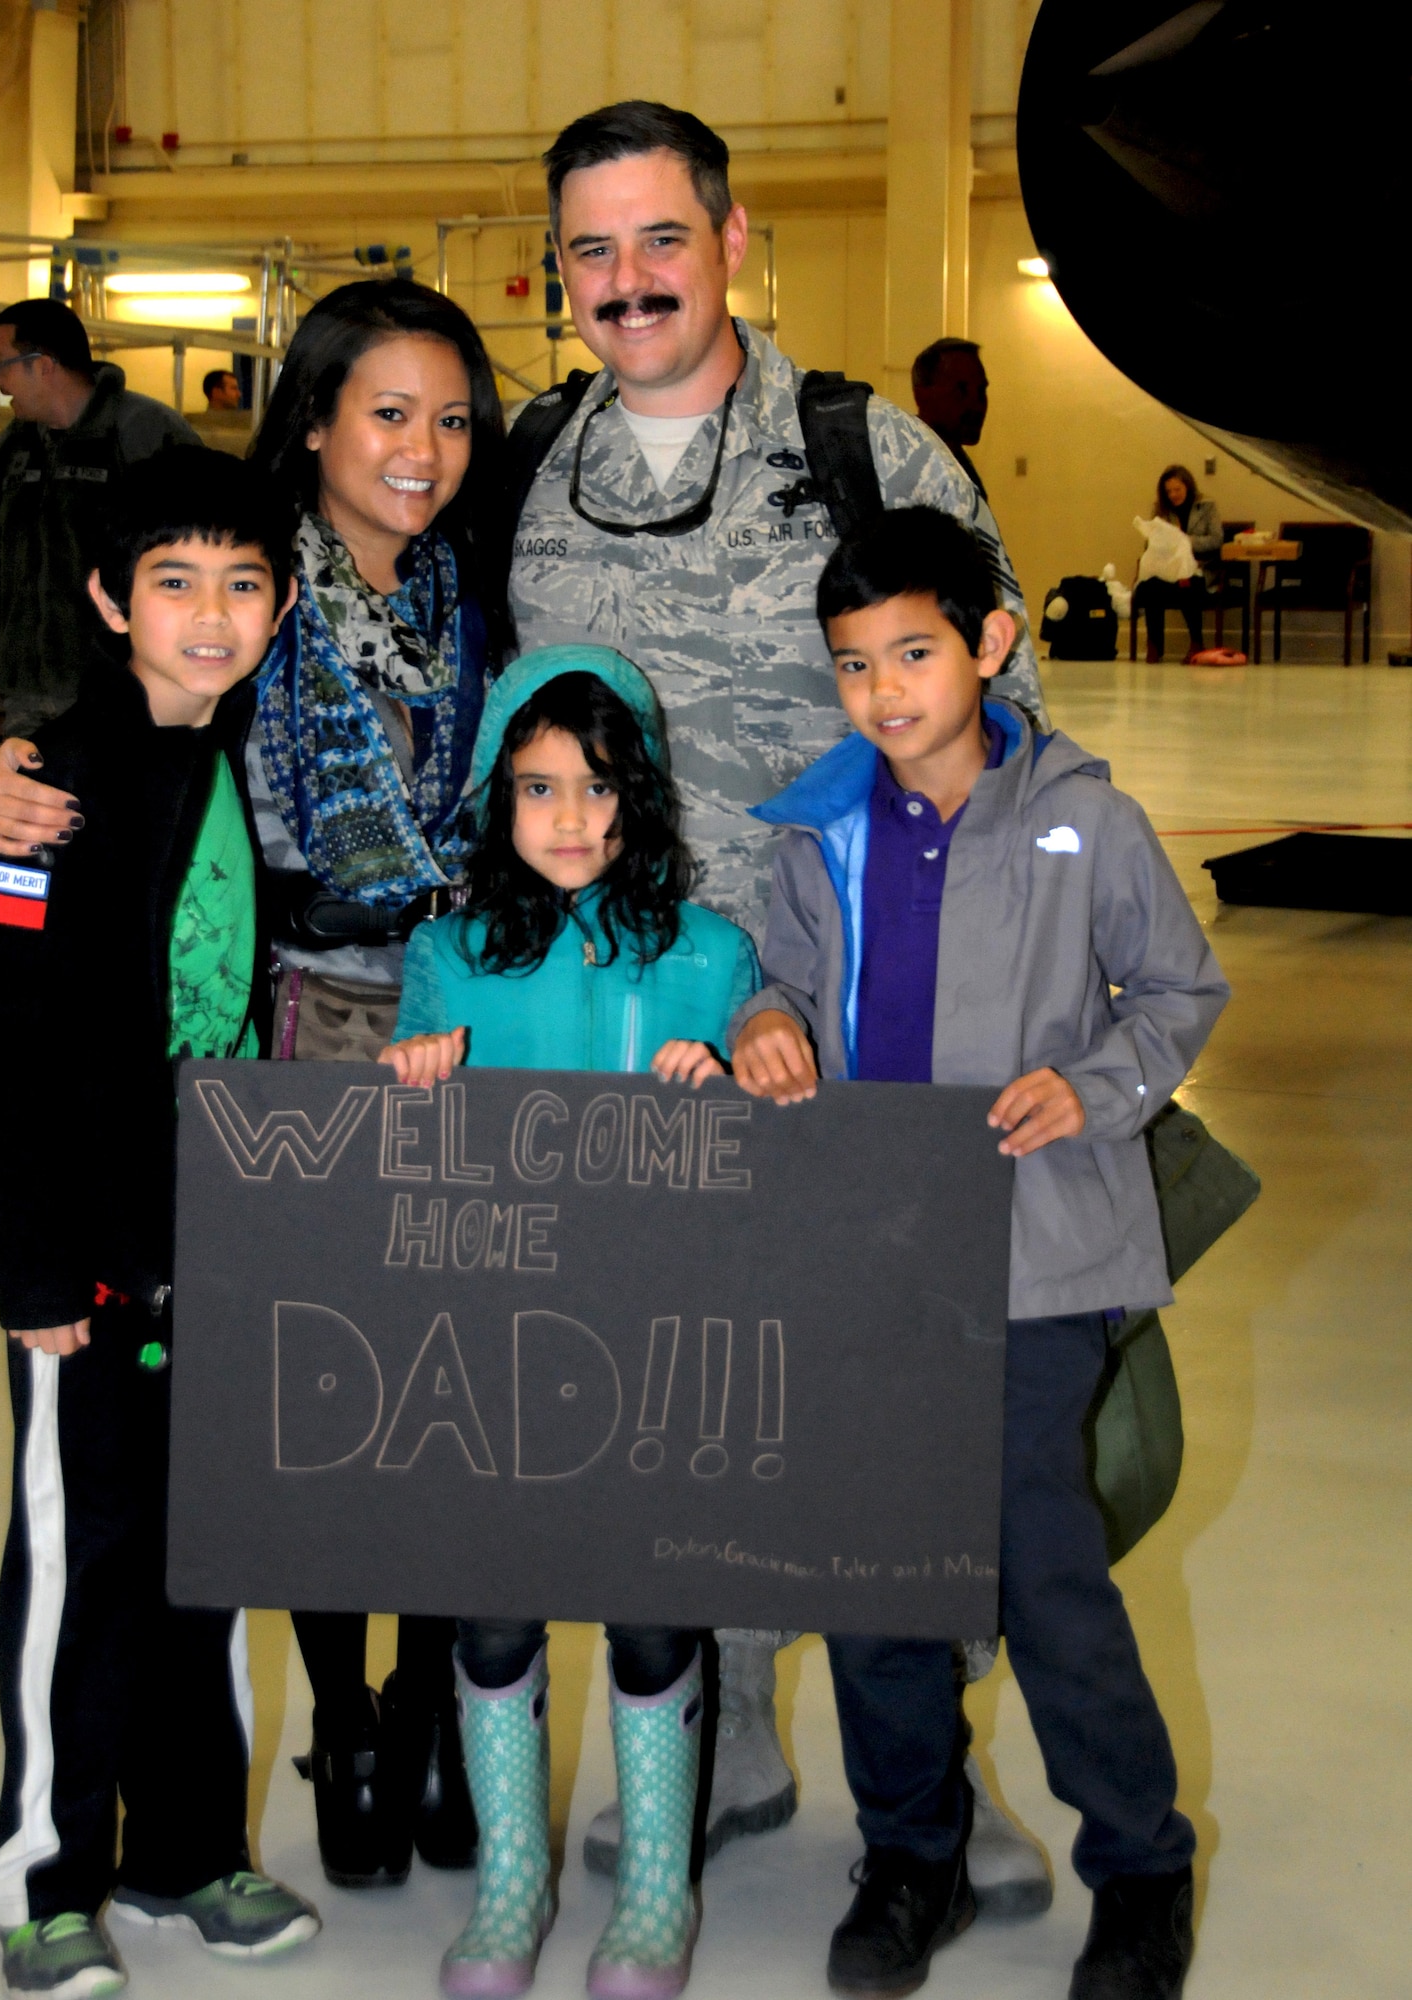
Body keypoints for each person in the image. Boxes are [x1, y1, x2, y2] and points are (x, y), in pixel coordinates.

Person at [510, 97, 1051, 1910]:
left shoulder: (865, 451)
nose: (627, 280)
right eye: (590, 250)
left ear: (733, 243)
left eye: (660, 238)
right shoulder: (526, 465)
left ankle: (934, 1779)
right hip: (638, 1034)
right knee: (683, 1390)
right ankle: (720, 1725)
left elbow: (1012, 716)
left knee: (896, 1405)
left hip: (867, 1020)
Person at [0, 277, 514, 1894]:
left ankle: (367, 1744)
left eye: (452, 416)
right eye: (386, 412)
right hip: (264, 1074)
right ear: (317, 418)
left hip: (433, 1040)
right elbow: (26, 987)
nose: (421, 448)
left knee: (419, 1414)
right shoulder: (236, 595)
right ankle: (289, 1742)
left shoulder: (476, 589)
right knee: (278, 1436)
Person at [729, 505, 1228, 2000]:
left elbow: (1178, 994)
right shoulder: (817, 828)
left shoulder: (1088, 819)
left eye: (916, 652)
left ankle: (1140, 1870)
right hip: (864, 1256)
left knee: (1044, 1570)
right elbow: (787, 984)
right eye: (853, 665)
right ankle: (910, 1855)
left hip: (1036, 1261)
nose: (885, 691)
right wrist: (763, 1023)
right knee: (877, 1578)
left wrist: (1100, 1086)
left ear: (990, 644)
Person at [0, 451, 319, 1999]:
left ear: (280, 602)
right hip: (79, 1251)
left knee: (199, 1554)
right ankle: (44, 1871)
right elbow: (5, 1044)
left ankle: (184, 1849)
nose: (213, 614)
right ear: (110, 601)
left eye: (242, 583)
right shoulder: (43, 791)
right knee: (79, 1555)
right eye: (174, 582)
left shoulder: (229, 762)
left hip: (211, 1232)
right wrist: (38, 1266)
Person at [381, 643, 760, 2000]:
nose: (573, 822)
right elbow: (408, 1165)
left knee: (655, 1618)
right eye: (539, 789)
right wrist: (417, 1072)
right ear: (496, 795)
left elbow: (773, 1141)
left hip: (657, 1347)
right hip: (493, 1350)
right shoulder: (446, 958)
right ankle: (511, 1881)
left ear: (641, 798)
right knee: (494, 1619)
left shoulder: (713, 953)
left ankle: (656, 1889)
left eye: (601, 790)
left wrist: (730, 1080)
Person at [0, 298, 198, 741]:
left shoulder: (145, 435)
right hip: (25, 699)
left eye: (1, 365)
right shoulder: (10, 452)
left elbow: (196, 564)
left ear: (43, 365)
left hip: (124, 692)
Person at [1135, 465, 1222, 663]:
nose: (1173, 495)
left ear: (1187, 487)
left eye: (1177, 489)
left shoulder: (1206, 506)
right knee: (1149, 587)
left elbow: (1216, 540)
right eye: (1169, 491)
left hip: (1199, 568)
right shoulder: (1161, 510)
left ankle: (1196, 643)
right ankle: (1154, 645)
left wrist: (1185, 541)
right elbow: (1150, 542)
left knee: (1186, 583)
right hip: (1168, 568)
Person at [910, 337, 989, 501]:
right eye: (961, 391)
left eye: (981, 391)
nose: (977, 405)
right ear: (922, 395)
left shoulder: (958, 462)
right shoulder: (907, 466)